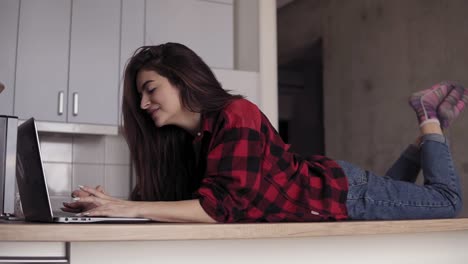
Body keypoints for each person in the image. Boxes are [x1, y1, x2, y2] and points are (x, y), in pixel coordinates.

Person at [62, 43, 467, 222]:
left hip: (342, 194)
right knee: (399, 196)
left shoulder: (236, 114)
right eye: (141, 97)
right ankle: (425, 138)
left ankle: (427, 113)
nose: (145, 104)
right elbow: (197, 204)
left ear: (182, 80)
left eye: (151, 90)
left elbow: (221, 207)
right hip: (336, 192)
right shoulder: (196, 139)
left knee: (445, 202)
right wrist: (111, 204)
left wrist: (125, 207)